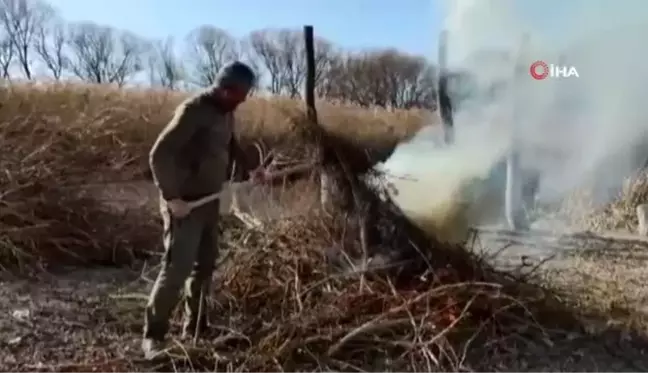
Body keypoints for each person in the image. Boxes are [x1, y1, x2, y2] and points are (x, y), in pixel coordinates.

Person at [141, 61, 269, 359]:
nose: (244, 99)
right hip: (185, 205)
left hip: (211, 201)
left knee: (205, 266)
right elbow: (159, 155)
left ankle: (196, 328)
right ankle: (153, 336)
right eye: (241, 93)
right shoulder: (193, 111)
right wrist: (172, 198)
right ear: (225, 89)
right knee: (177, 268)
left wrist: (252, 169)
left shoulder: (226, 114)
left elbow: (230, 144)